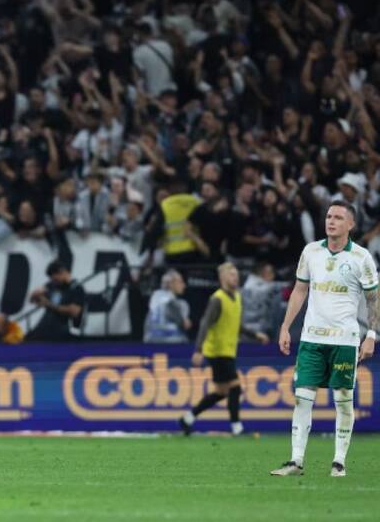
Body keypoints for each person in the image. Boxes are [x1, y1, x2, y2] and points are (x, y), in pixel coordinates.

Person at [271, 201, 378, 478]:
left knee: (343, 399)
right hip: (311, 339)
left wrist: (372, 335)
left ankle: (339, 462)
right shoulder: (311, 251)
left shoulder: (362, 258)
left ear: (350, 225)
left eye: (339, 217)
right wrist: (285, 327)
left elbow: (373, 299)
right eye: (329, 216)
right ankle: (296, 461)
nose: (331, 221)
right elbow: (299, 291)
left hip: (344, 341)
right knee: (302, 398)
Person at [179, 262, 269, 435]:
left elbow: (236, 325)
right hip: (217, 351)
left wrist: (255, 335)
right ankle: (237, 428)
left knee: (221, 392)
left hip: (227, 351)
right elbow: (205, 323)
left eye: (236, 274)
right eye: (231, 275)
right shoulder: (217, 299)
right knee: (235, 387)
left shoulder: (237, 297)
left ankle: (187, 418)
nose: (235, 278)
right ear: (222, 278)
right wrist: (198, 350)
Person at [27, 260, 85, 341]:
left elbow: (74, 312)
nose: (54, 281)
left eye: (55, 279)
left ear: (62, 272)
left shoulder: (76, 288)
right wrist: (35, 295)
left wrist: (48, 304)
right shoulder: (53, 285)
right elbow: (32, 299)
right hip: (45, 327)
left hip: (63, 330)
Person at [143, 269, 191, 343]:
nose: (184, 285)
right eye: (180, 282)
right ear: (171, 284)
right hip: (168, 340)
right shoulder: (172, 302)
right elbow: (184, 325)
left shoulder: (155, 296)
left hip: (150, 339)